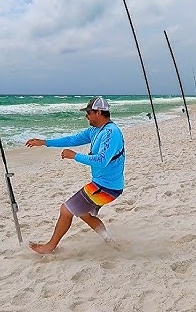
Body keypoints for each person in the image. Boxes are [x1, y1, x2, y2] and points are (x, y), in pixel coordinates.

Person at [25, 96, 125, 254]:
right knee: (83, 213)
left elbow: (101, 160)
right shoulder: (96, 130)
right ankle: (108, 239)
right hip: (104, 184)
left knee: (66, 210)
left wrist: (75, 156)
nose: (86, 116)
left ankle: (49, 247)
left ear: (98, 113)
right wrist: (45, 142)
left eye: (88, 112)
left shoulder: (111, 133)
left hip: (106, 187)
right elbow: (73, 139)